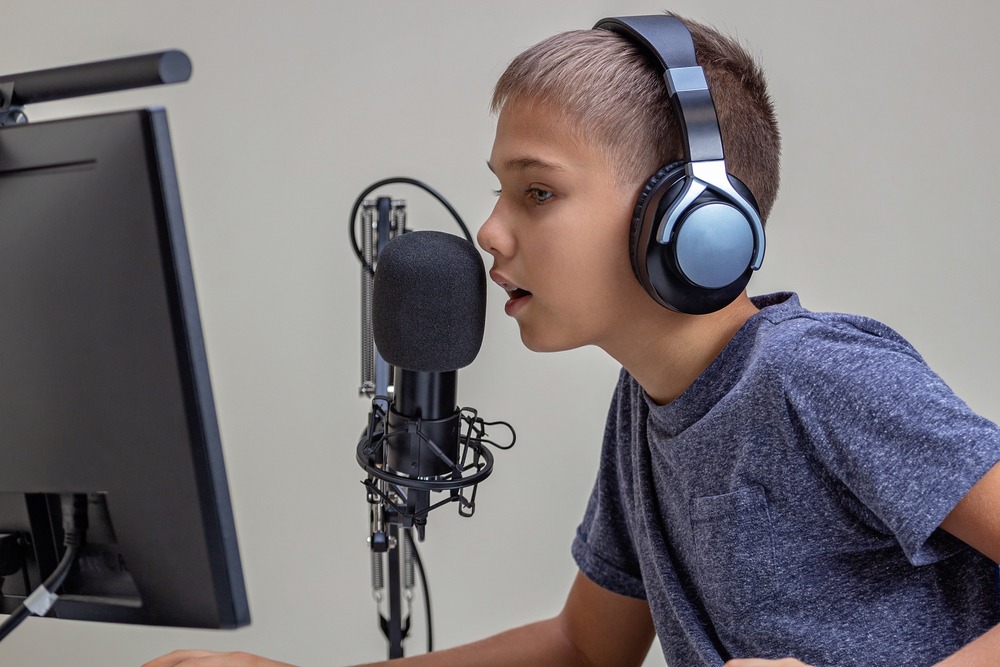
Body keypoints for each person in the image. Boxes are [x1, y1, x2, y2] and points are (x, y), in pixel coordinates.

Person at [145, 11, 1000, 667]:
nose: (488, 231)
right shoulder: (645, 410)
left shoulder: (816, 377)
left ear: (692, 224)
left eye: (538, 194)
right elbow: (586, 648)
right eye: (499, 193)